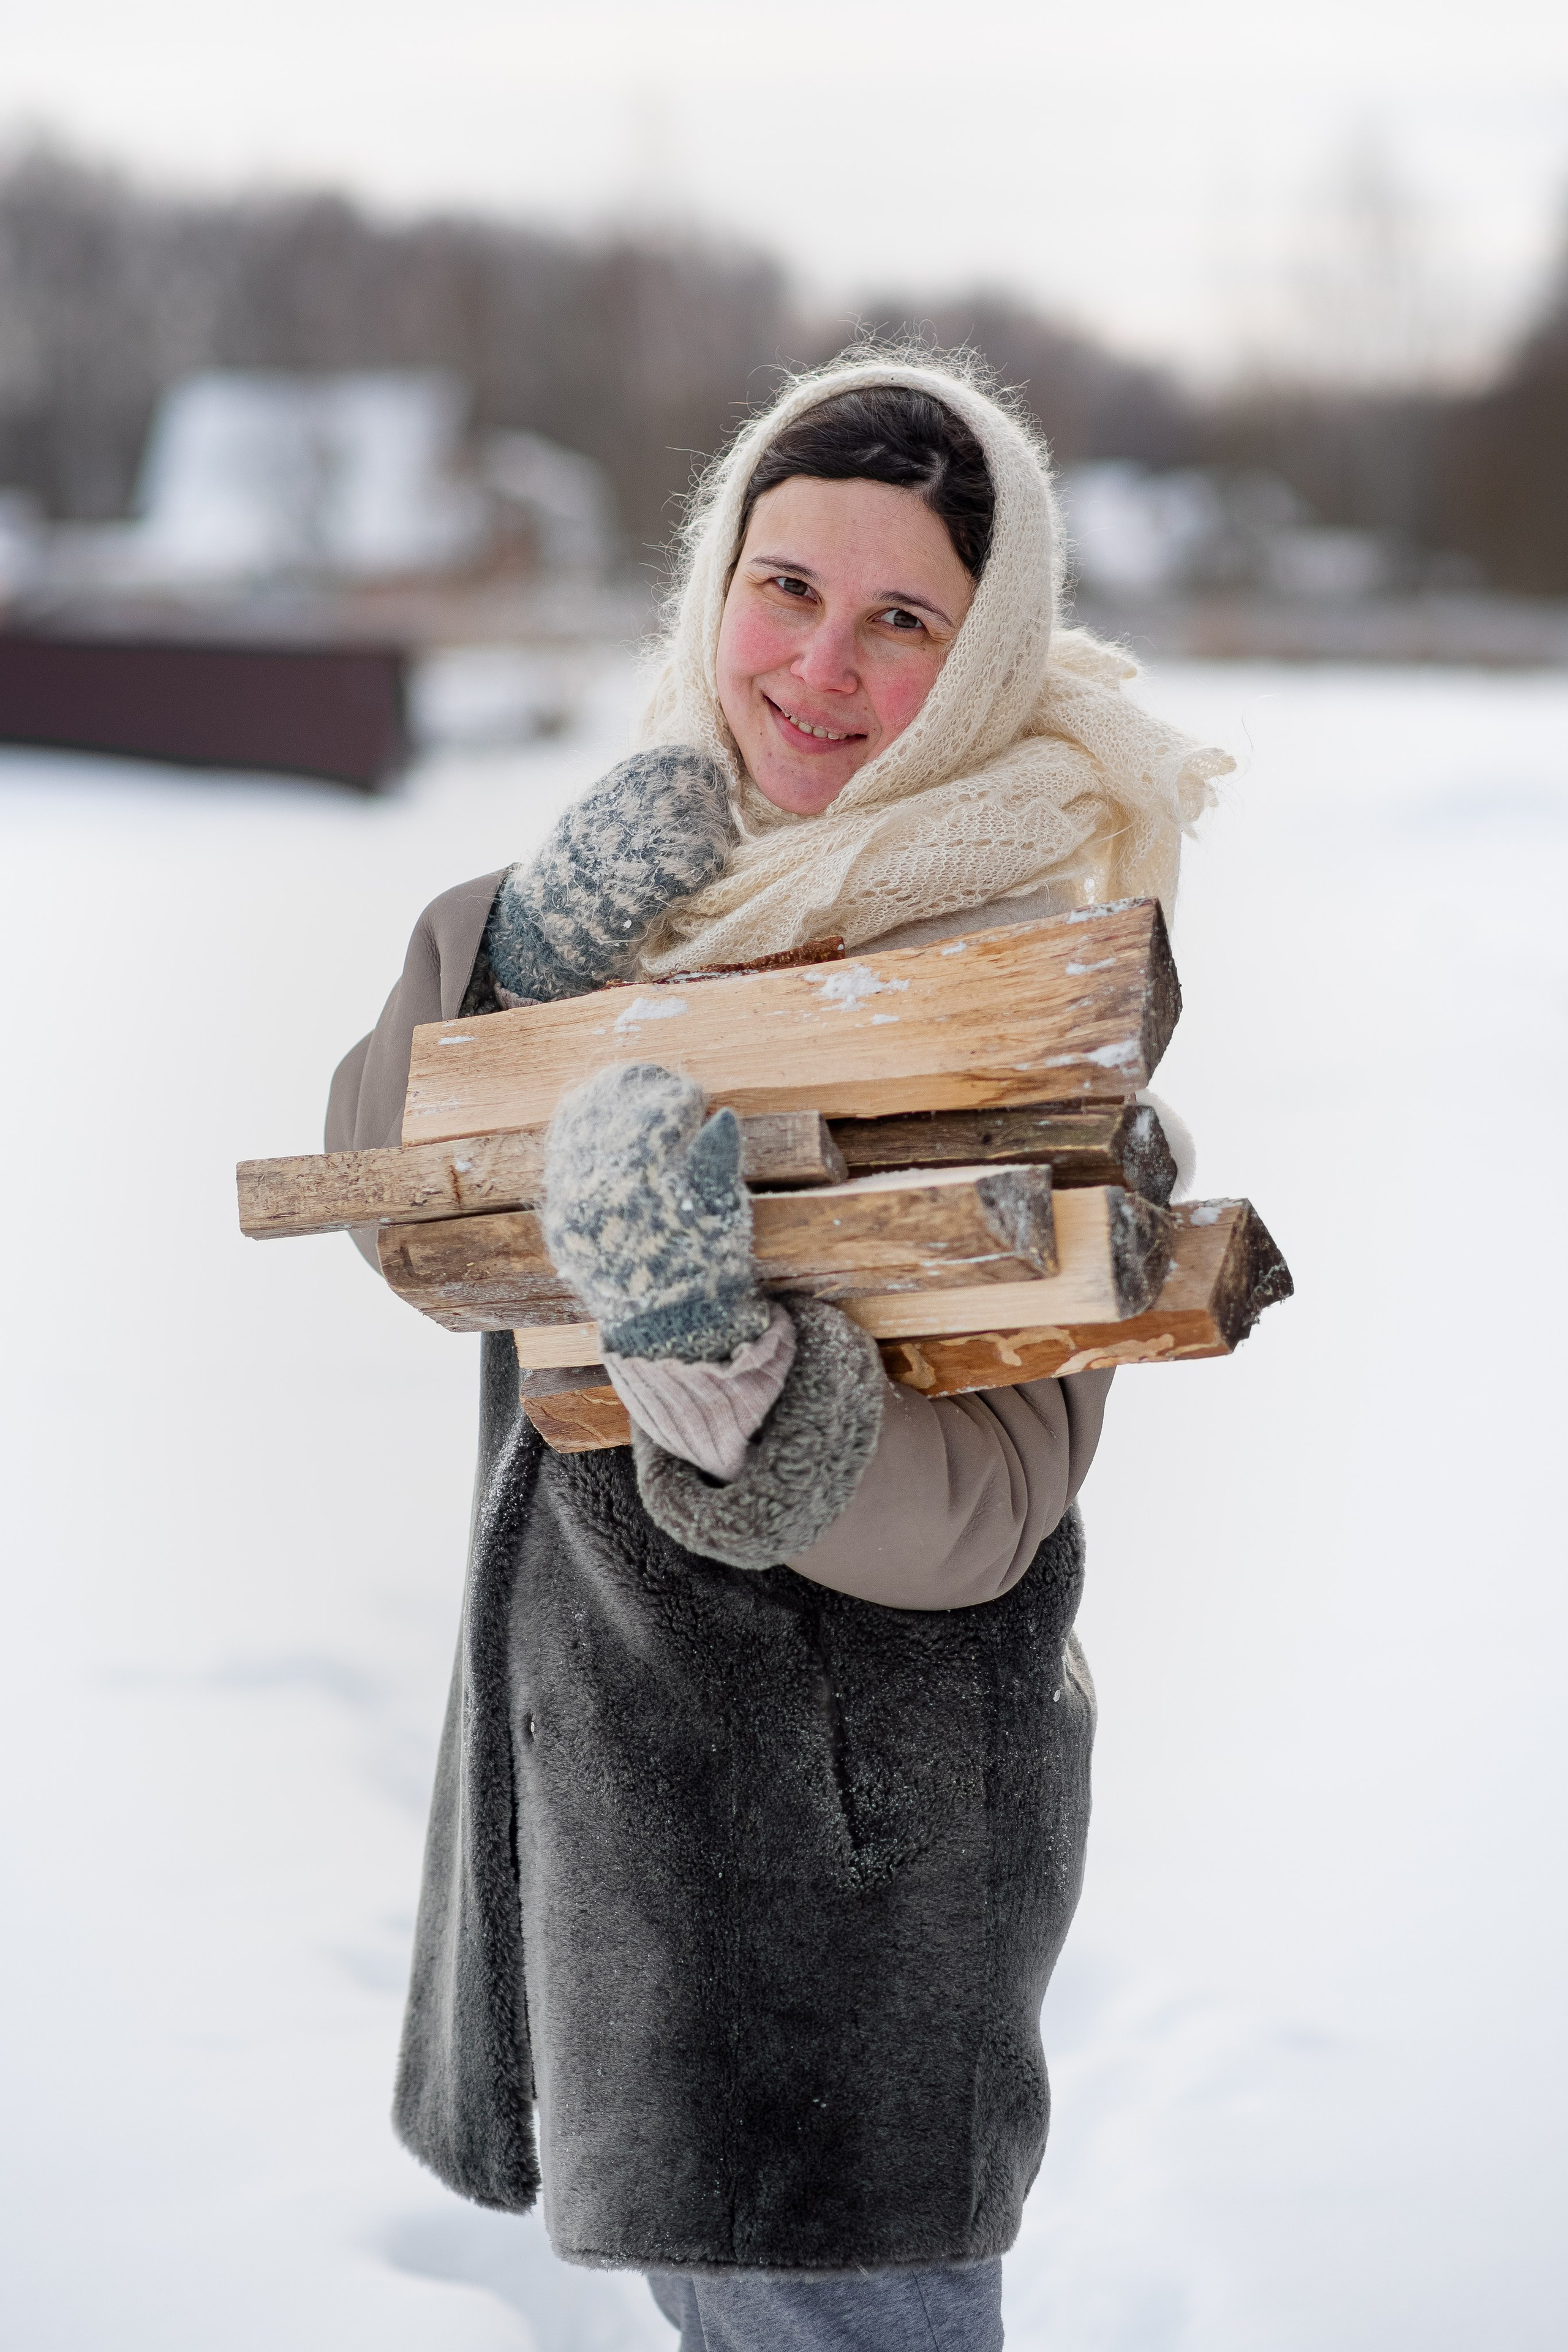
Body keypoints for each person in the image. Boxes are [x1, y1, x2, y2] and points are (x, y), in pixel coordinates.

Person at [326, 350, 1229, 2350]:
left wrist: (744, 1380)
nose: (821, 663)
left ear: (984, 660)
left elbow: (991, 1513)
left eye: (904, 618)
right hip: (612, 1861)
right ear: (710, 584)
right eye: (784, 586)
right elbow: (389, 1201)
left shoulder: (1020, 999)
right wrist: (529, 958)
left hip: (845, 1915)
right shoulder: (628, 907)